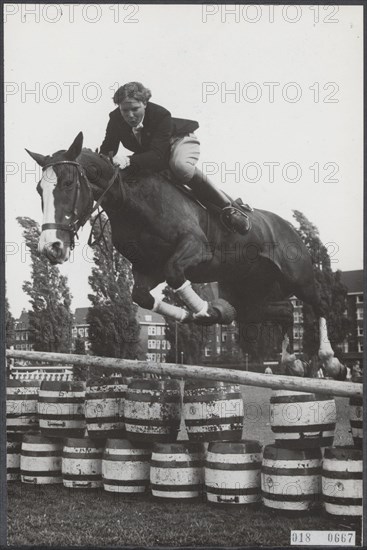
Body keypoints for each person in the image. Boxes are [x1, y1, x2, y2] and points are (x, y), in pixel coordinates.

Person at [100, 81, 250, 234]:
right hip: (155, 151)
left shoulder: (161, 114)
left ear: (145, 103)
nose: (130, 115)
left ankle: (229, 208)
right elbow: (108, 148)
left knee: (180, 166)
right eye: (124, 110)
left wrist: (127, 160)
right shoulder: (115, 119)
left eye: (135, 109)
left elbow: (158, 157)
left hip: (178, 141)